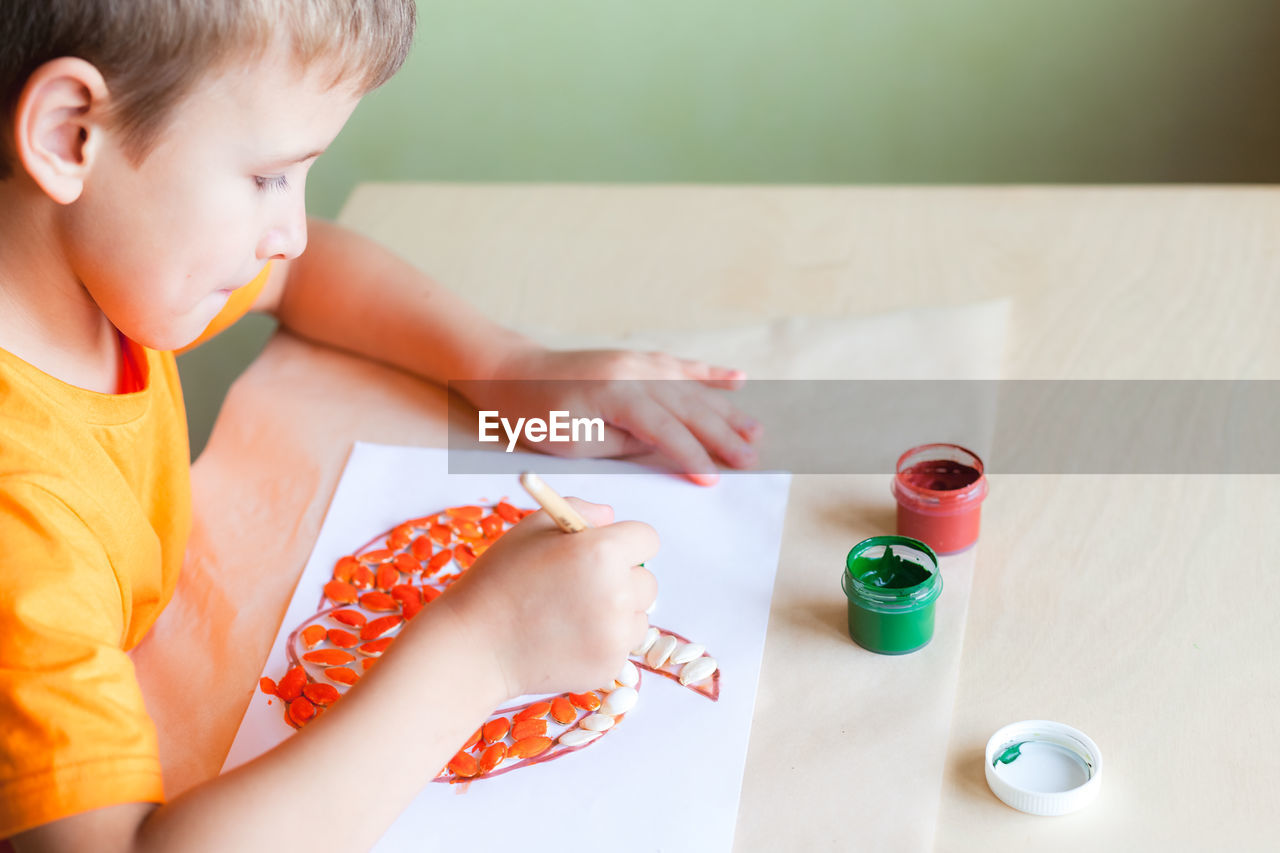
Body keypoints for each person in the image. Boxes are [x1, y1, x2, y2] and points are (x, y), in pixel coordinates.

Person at [0, 2, 760, 849]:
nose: (287, 231)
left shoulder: (83, 268)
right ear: (69, 135)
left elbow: (306, 271)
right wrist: (481, 653)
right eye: (266, 179)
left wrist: (504, 368)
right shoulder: (20, 524)